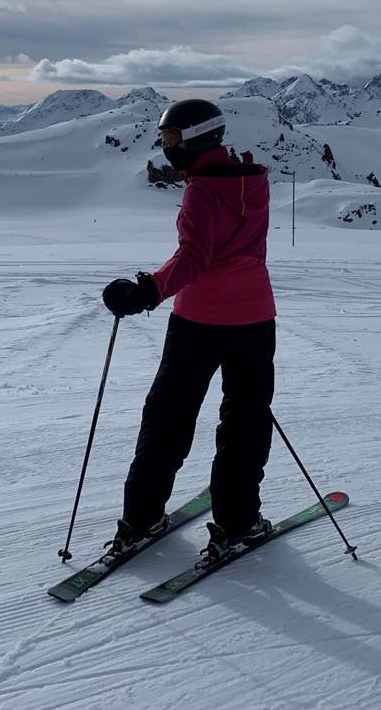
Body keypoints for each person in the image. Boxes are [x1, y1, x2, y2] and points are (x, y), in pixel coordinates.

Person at [102, 98, 278, 561]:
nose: (166, 146)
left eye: (171, 138)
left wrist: (146, 291)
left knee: (169, 416)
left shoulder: (202, 190)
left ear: (197, 137)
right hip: (256, 319)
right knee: (246, 420)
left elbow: (195, 258)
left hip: (200, 321)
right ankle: (239, 521)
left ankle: (141, 517)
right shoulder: (254, 180)